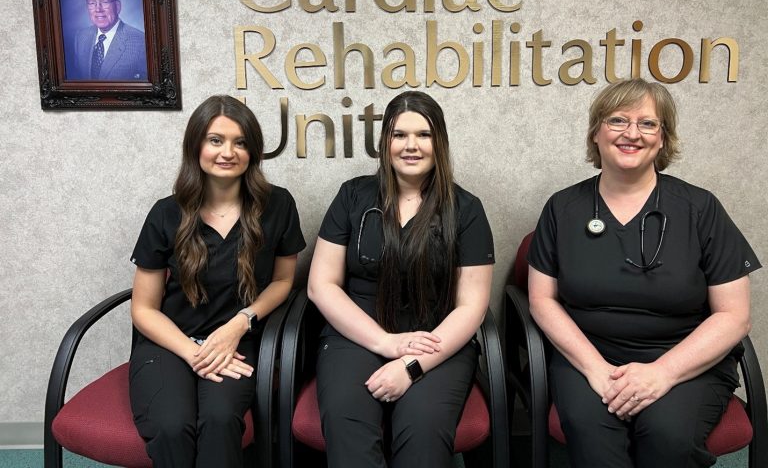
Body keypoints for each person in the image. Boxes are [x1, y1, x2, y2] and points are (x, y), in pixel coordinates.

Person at [527, 78, 761, 468]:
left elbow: (734, 315)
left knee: (668, 434)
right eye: (618, 120)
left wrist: (662, 373)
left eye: (648, 124)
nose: (632, 133)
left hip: (684, 358)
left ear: (663, 138)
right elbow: (541, 299)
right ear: (596, 132)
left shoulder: (700, 208)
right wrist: (596, 370)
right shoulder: (563, 208)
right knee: (591, 434)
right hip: (589, 356)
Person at [307, 90, 494, 468]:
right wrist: (386, 343)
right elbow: (320, 285)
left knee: (423, 428)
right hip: (356, 334)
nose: (411, 145)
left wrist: (411, 366)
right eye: (399, 135)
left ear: (438, 142)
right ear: (384, 143)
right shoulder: (353, 196)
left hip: (436, 340)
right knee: (347, 421)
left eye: (423, 135)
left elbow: (472, 305)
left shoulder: (466, 209)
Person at [129, 95, 305, 467]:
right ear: (196, 146)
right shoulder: (165, 213)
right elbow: (143, 308)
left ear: (254, 151)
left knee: (220, 420)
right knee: (172, 426)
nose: (228, 152)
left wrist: (240, 323)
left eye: (240, 142)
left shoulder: (278, 206)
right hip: (170, 344)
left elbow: (283, 280)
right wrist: (196, 353)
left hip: (239, 342)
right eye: (216, 140)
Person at [70, 0, 147, 81]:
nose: (98, 9)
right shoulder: (80, 37)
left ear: (118, 6)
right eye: (92, 3)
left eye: (104, 2)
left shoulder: (141, 43)